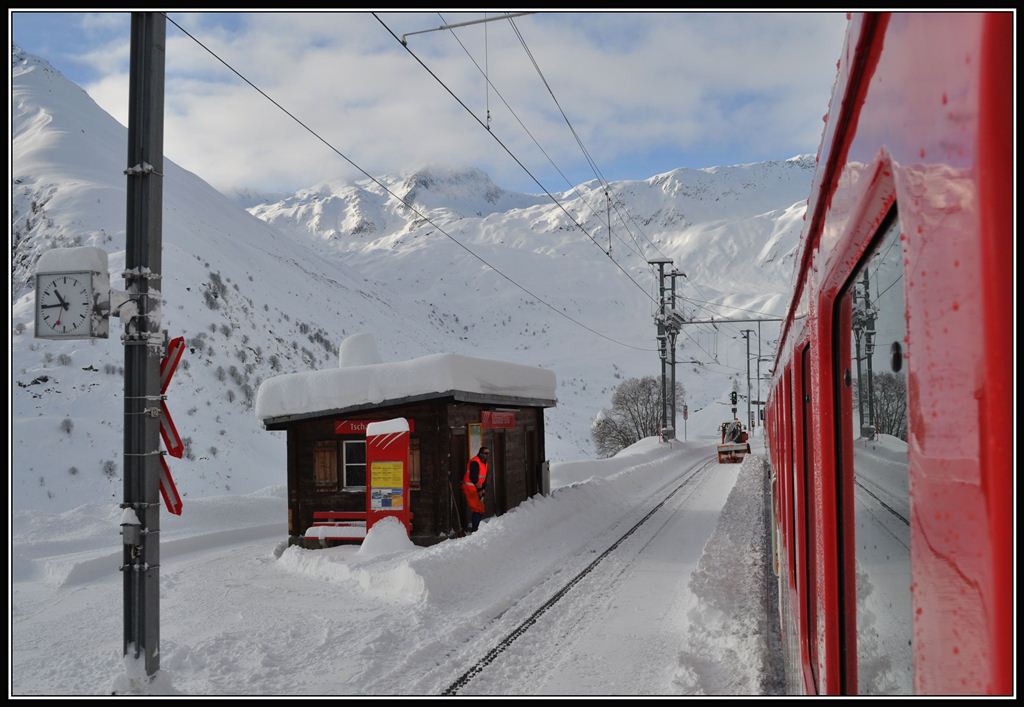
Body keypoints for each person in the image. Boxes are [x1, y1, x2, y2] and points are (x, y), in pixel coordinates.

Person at [463, 446, 489, 533]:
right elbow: (473, 477)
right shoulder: (475, 462)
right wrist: (480, 489)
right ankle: (474, 530)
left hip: (477, 488)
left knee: (481, 508)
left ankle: (476, 528)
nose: (486, 455)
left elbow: (484, 478)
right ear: (480, 453)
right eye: (485, 453)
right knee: (477, 509)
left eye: (488, 453)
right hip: (470, 487)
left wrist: (483, 489)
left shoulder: (484, 463)